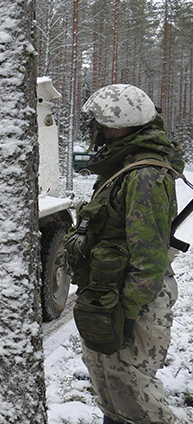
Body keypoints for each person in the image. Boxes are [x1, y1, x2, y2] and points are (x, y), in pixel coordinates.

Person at [66, 84, 185, 424]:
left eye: (104, 123)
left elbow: (148, 258)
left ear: (127, 123)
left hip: (136, 297)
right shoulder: (124, 164)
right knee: (107, 378)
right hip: (110, 292)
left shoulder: (144, 174)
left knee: (133, 386)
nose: (98, 129)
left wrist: (129, 311)